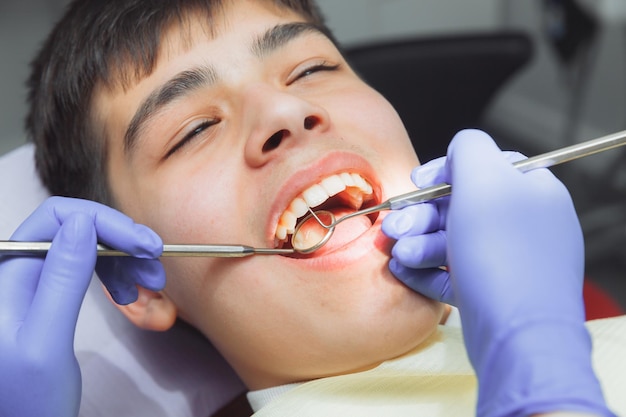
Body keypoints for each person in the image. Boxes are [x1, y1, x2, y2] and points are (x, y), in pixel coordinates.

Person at [0, 0, 623, 416]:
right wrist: (539, 360)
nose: (283, 112)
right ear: (139, 280)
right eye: (192, 129)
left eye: (311, 68)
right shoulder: (543, 346)